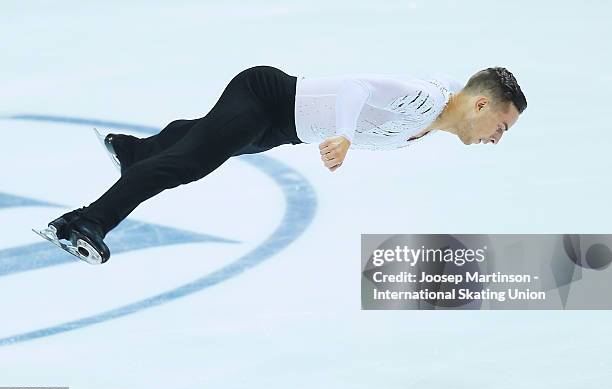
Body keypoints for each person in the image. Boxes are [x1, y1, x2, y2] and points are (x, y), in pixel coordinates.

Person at [44, 65, 527, 264]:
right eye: (501, 127)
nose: (496, 139)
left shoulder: (428, 125)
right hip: (266, 98)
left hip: (280, 128)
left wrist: (337, 132)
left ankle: (134, 151)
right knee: (186, 165)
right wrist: (342, 132)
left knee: (198, 141)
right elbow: (357, 87)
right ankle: (84, 223)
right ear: (482, 106)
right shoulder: (425, 100)